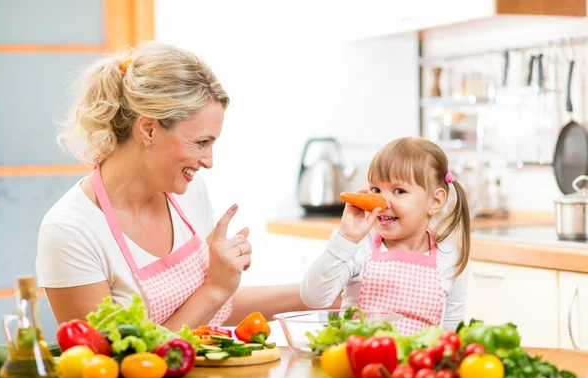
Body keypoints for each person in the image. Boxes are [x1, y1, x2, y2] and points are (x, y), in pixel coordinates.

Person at [36, 41, 314, 331]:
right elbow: (106, 366)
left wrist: (318, 292)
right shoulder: (69, 231)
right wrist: (215, 289)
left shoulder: (191, 194)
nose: (209, 161)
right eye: (200, 143)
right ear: (149, 129)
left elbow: (210, 312)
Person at [300, 137, 471, 334]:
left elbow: (452, 329)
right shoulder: (359, 247)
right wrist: (345, 239)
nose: (382, 202)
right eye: (376, 189)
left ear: (435, 201)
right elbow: (312, 298)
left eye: (399, 191)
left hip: (417, 364)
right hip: (361, 361)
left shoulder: (452, 257)